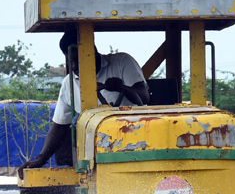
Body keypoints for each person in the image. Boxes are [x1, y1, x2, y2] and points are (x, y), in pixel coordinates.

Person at [21, 31, 149, 169]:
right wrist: (41, 159)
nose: (74, 66)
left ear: (92, 52)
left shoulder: (122, 62)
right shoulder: (68, 83)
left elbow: (144, 96)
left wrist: (122, 88)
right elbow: (60, 126)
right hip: (94, 153)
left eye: (79, 59)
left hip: (135, 140)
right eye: (71, 61)